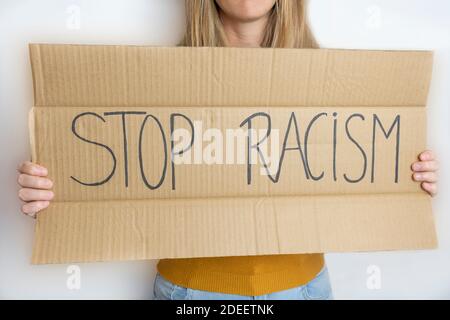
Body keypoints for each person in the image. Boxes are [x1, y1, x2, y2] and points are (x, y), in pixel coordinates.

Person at [17, 0, 440, 300]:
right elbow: (107, 170)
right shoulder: (155, 84)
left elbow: (367, 174)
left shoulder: (339, 89)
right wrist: (56, 194)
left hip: (304, 289)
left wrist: (408, 177)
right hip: (192, 292)